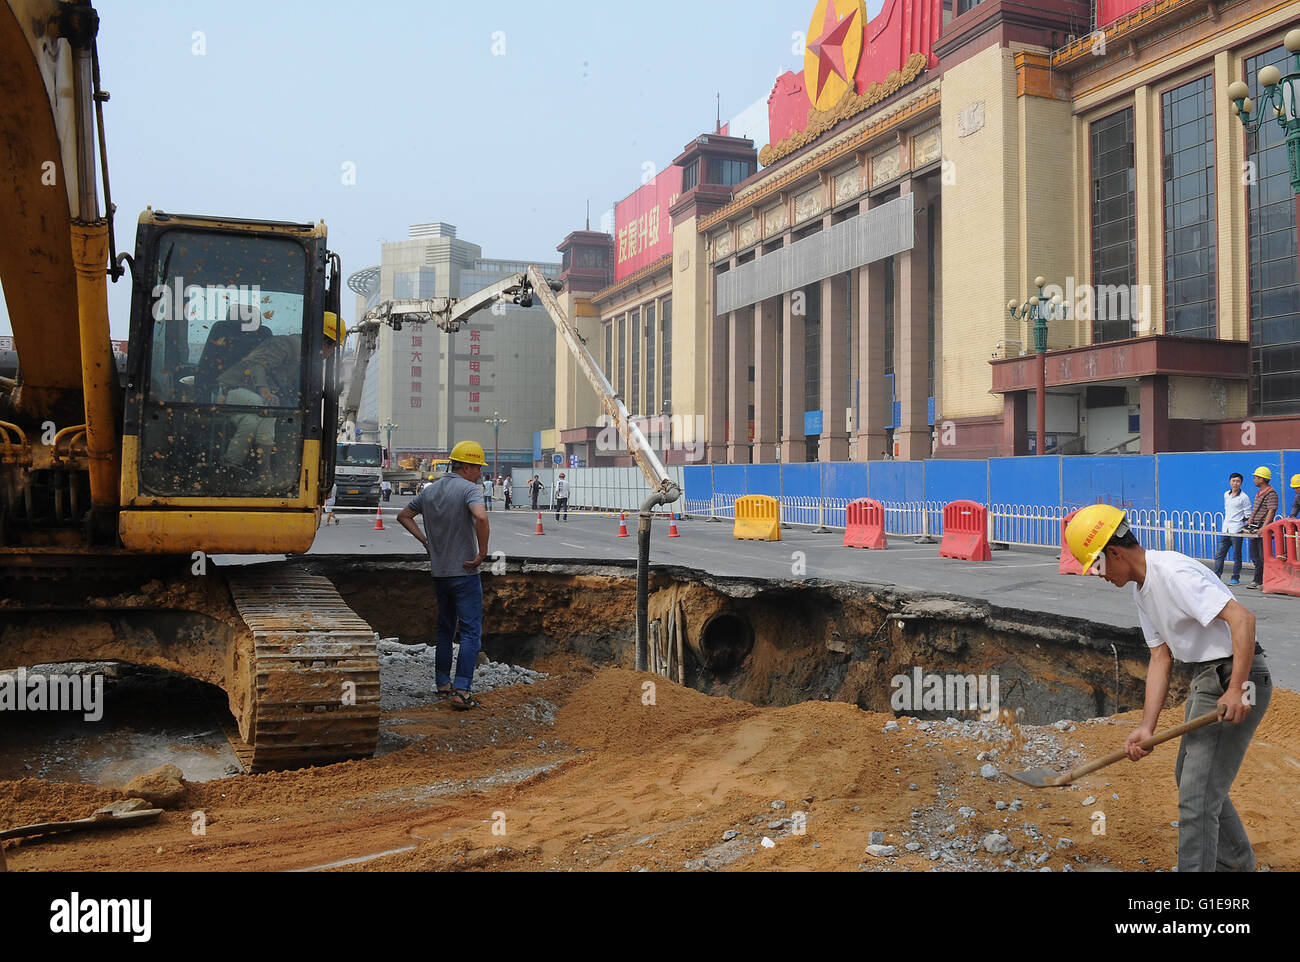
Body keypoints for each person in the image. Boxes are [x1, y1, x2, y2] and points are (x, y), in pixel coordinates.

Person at [1065, 504, 1272, 872]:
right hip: (1208, 679)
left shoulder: (1172, 572)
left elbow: (1243, 618)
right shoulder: (1142, 591)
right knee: (1190, 778)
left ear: (1114, 552)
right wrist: (1147, 727)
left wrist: (1238, 688)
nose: (1097, 575)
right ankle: (1237, 863)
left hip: (1240, 675)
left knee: (1198, 796)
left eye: (1096, 565)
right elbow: (1161, 658)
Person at [396, 439, 491, 711]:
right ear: (468, 466)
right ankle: (462, 692)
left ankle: (442, 684)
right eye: (478, 468)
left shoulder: (430, 490)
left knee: (445, 629)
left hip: (439, 573)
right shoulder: (469, 490)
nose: (480, 473)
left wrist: (425, 541)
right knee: (471, 631)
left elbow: (404, 516)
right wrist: (482, 552)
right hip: (464, 572)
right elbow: (481, 517)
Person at [217, 329, 302, 468]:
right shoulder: (287, 345)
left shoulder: (302, 357)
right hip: (229, 390)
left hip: (246, 397)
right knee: (269, 408)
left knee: (250, 421)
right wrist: (265, 392)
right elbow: (257, 366)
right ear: (326, 343)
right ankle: (264, 470)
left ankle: (231, 464)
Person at [1242, 467, 1278, 590]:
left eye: (1256, 477)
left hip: (1263, 529)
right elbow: (1255, 510)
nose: (1254, 480)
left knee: (1264, 556)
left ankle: (1264, 580)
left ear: (1262, 479)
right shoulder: (1259, 493)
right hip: (1254, 528)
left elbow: (1271, 511)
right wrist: (1249, 522)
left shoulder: (1271, 493)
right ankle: (1258, 579)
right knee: (1255, 555)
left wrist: (1264, 527)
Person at [1213, 473, 1251, 585]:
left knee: (1236, 555)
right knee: (1220, 554)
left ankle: (1235, 577)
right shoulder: (1226, 494)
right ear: (1230, 482)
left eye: (1238, 481)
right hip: (1226, 529)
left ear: (1241, 483)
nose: (1235, 483)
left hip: (1237, 530)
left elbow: (1247, 514)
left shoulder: (1244, 497)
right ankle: (1216, 576)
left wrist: (1239, 522)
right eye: (1233, 481)